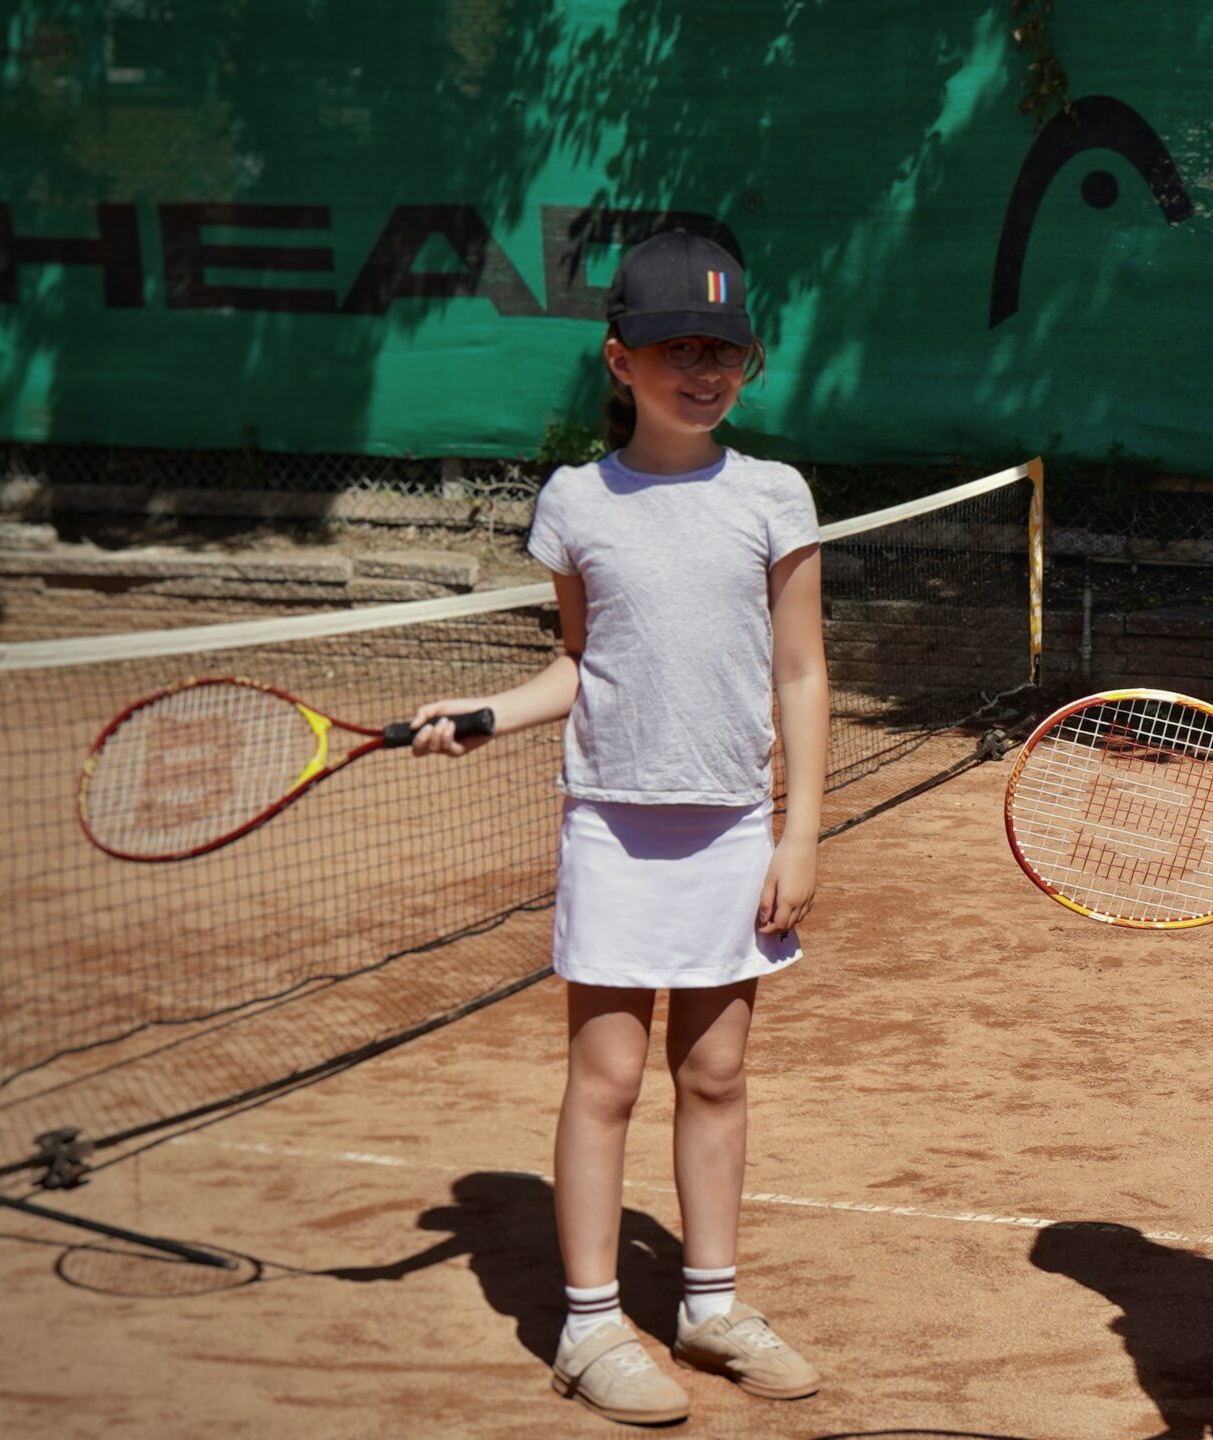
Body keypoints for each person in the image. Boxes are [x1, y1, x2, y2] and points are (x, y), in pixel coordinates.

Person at [408, 228, 827, 1426]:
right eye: (672, 347)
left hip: (736, 826)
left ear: (747, 361)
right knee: (607, 1073)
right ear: (618, 360)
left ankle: (707, 1306)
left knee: (718, 1069)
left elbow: (800, 673)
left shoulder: (773, 495)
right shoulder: (576, 499)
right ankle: (590, 1326)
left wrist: (801, 832)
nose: (702, 370)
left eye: (724, 350)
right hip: (611, 826)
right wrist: (488, 713)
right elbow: (579, 664)